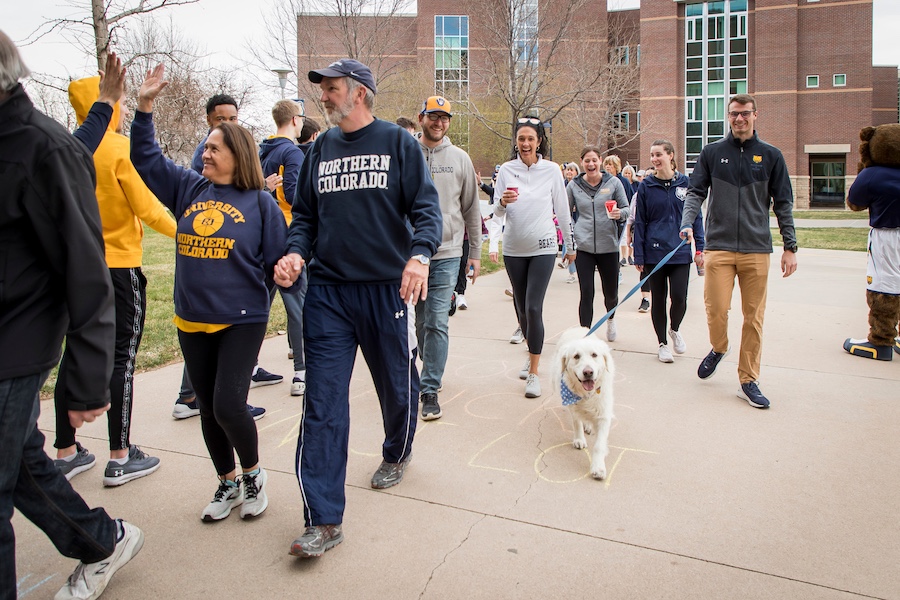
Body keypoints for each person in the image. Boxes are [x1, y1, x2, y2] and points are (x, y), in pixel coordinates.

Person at [273, 59, 441, 557]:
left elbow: (426, 210)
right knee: (323, 403)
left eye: (331, 88)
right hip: (328, 294)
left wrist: (419, 256)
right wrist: (295, 253)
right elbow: (305, 216)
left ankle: (397, 449)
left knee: (395, 383)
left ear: (359, 93)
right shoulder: (320, 148)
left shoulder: (397, 143)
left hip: (386, 289)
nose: (323, 96)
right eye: (321, 89)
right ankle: (323, 520)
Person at [0, 31, 144, 599]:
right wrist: (107, 103)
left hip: (19, 336)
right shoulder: (64, 143)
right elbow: (82, 143)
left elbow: (88, 262)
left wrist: (187, 227)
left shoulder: (49, 145)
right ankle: (101, 540)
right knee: (21, 466)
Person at [132, 63, 296, 521]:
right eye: (205, 147)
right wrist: (144, 108)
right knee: (207, 408)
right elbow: (146, 160)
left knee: (228, 404)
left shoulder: (261, 203)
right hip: (191, 317)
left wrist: (287, 273)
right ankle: (226, 482)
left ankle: (253, 474)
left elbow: (281, 263)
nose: (205, 154)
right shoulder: (190, 188)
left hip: (242, 318)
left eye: (213, 149)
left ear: (237, 154)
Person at [53, 72, 178, 486]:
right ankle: (120, 455)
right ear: (104, 103)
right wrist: (187, 232)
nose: (123, 109)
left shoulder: (64, 148)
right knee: (121, 357)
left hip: (73, 268)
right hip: (119, 266)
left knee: (74, 354)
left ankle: (66, 451)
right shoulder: (120, 151)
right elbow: (149, 208)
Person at [680, 93, 798, 409]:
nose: (739, 119)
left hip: (756, 248)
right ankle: (719, 347)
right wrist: (687, 222)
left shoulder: (772, 156)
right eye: (734, 114)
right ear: (728, 117)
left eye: (745, 113)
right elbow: (694, 193)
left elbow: (784, 203)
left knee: (753, 318)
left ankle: (748, 380)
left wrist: (790, 246)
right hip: (718, 246)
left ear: (755, 115)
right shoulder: (712, 153)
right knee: (715, 308)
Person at [174, 95, 277, 420]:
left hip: (238, 310)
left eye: (233, 118)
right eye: (221, 120)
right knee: (218, 400)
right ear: (209, 122)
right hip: (200, 303)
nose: (229, 125)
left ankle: (223, 393)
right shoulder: (200, 168)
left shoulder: (258, 202)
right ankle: (191, 395)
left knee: (224, 400)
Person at [494, 117, 574, 398]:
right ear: (516, 143)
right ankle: (532, 350)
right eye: (521, 139)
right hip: (514, 249)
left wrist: (570, 244)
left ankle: (534, 372)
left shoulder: (552, 170)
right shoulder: (506, 170)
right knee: (520, 308)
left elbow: (563, 210)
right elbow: (497, 212)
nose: (525, 143)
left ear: (539, 141)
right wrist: (503, 202)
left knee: (533, 308)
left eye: (530, 138)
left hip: (544, 246)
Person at [414, 96, 483, 420]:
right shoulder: (407, 153)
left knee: (438, 320)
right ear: (421, 118)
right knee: (421, 321)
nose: (439, 122)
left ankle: (429, 388)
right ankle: (429, 368)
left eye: (444, 118)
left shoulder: (459, 159)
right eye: (433, 116)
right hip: (412, 255)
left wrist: (476, 254)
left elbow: (471, 208)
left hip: (448, 252)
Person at [633, 140, 705, 363]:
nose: (654, 159)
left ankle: (674, 329)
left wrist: (700, 248)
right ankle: (662, 343)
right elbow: (640, 222)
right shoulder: (646, 186)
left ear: (671, 155)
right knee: (659, 299)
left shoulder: (686, 183)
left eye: (659, 155)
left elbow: (697, 218)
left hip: (680, 250)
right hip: (654, 252)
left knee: (680, 298)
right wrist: (639, 255)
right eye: (652, 155)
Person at [259, 99, 309, 396]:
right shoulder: (291, 151)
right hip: (287, 236)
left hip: (261, 236)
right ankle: (302, 372)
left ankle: (249, 365)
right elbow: (292, 195)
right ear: (294, 119)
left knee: (260, 305)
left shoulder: (262, 149)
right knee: (297, 308)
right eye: (301, 118)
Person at [567, 145, 629, 340]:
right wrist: (571, 236)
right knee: (586, 292)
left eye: (594, 160)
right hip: (583, 247)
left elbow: (627, 209)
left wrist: (619, 214)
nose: (591, 164)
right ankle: (585, 334)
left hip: (608, 246)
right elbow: (565, 213)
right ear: (582, 163)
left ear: (600, 161)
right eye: (587, 161)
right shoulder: (574, 186)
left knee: (611, 293)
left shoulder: (614, 183)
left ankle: (611, 319)